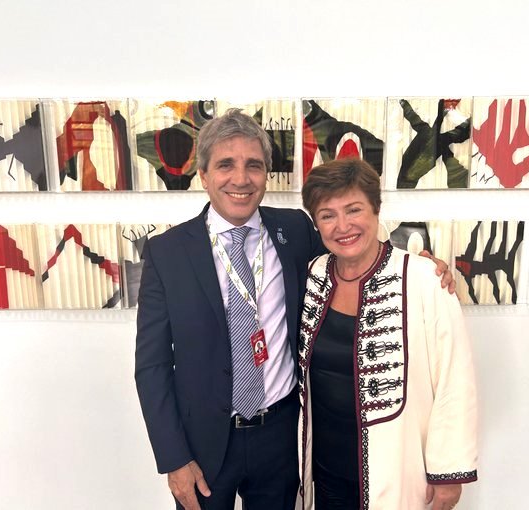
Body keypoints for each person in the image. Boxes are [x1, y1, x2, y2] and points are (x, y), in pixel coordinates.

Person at [135, 109, 455, 510]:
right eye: (226, 165)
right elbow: (152, 366)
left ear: (267, 174)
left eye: (254, 165)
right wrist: (173, 457)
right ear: (203, 174)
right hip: (203, 443)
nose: (241, 178)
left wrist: (417, 265)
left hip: (281, 437)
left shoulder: (296, 230)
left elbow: (352, 252)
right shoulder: (167, 253)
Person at [299, 158, 478, 510]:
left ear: (376, 209)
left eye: (354, 210)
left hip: (397, 465)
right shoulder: (311, 274)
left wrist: (448, 472)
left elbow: (454, 378)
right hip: (325, 467)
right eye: (327, 215)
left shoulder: (424, 278)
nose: (343, 226)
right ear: (316, 223)